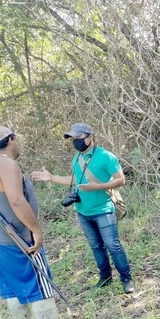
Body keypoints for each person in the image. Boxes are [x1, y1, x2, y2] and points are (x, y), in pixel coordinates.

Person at [0, 125, 81, 319]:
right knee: (38, 279)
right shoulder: (7, 165)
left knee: (11, 285)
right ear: (10, 140)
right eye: (15, 139)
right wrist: (35, 229)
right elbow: (16, 201)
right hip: (17, 237)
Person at [31, 123, 134, 294]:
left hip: (104, 210)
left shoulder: (106, 157)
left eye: (79, 138)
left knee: (113, 245)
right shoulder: (77, 157)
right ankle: (105, 277)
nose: (76, 142)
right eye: (73, 139)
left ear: (90, 137)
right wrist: (51, 178)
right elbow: (74, 180)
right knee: (95, 246)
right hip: (82, 211)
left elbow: (120, 180)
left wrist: (98, 187)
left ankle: (126, 279)